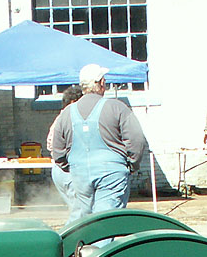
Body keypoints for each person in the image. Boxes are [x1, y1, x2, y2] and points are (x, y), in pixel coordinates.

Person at [52, 64, 147, 225]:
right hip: (111, 174)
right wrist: (132, 164)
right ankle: (99, 249)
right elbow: (136, 139)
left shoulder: (67, 113)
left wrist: (71, 167)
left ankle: (74, 249)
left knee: (82, 221)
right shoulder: (116, 107)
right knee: (105, 222)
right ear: (101, 83)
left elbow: (58, 151)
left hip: (79, 174)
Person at [47, 85, 83, 209]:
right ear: (73, 102)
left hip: (60, 169)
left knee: (76, 210)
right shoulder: (68, 119)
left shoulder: (60, 119)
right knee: (80, 211)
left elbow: (50, 144)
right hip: (68, 170)